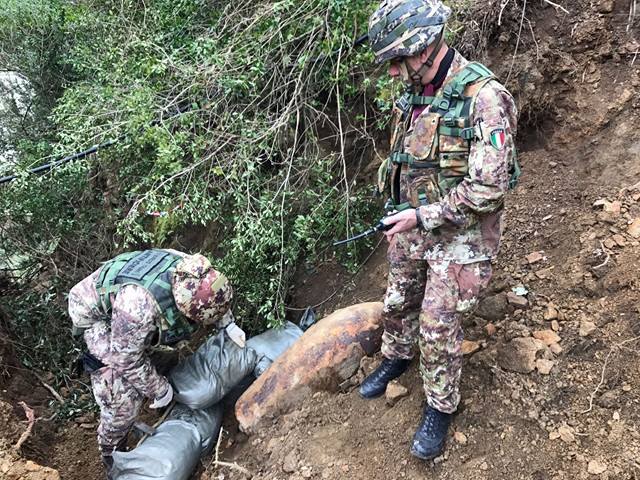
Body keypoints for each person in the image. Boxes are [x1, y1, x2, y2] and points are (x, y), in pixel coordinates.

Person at [360, 0, 519, 461]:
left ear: (425, 47)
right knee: (398, 298)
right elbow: (407, 161)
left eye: (397, 60)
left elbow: (488, 190)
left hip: (463, 231)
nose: (392, 72)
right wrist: (401, 211)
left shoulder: (486, 99)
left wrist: (423, 216)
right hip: (415, 220)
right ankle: (397, 354)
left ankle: (440, 404)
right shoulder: (412, 92)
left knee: (437, 321)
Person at [68, 249, 235, 475]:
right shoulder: (137, 308)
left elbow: (214, 298)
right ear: (181, 303)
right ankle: (112, 452)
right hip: (95, 317)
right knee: (123, 398)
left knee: (163, 357)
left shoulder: (194, 272)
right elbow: (126, 359)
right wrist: (159, 388)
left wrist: (228, 323)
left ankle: (164, 404)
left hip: (129, 315)